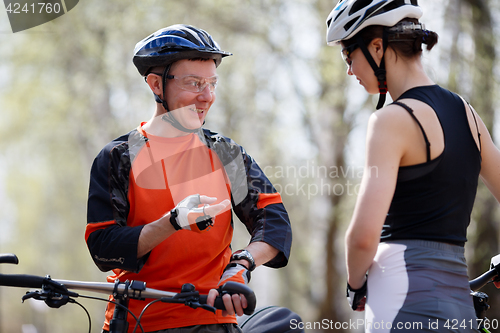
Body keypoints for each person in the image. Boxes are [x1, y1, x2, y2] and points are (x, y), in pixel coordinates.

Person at [85, 24, 292, 333]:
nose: (207, 96)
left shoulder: (227, 154)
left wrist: (241, 265)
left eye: (212, 83)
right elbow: (103, 247)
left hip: (214, 321)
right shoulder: (119, 157)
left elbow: (274, 223)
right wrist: (172, 222)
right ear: (156, 85)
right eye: (194, 83)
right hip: (140, 322)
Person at [326, 1, 500, 332]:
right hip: (460, 309)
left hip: (401, 303)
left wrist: (355, 285)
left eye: (349, 56)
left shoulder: (390, 120)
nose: (349, 70)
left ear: (377, 47)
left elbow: (362, 239)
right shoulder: (468, 114)